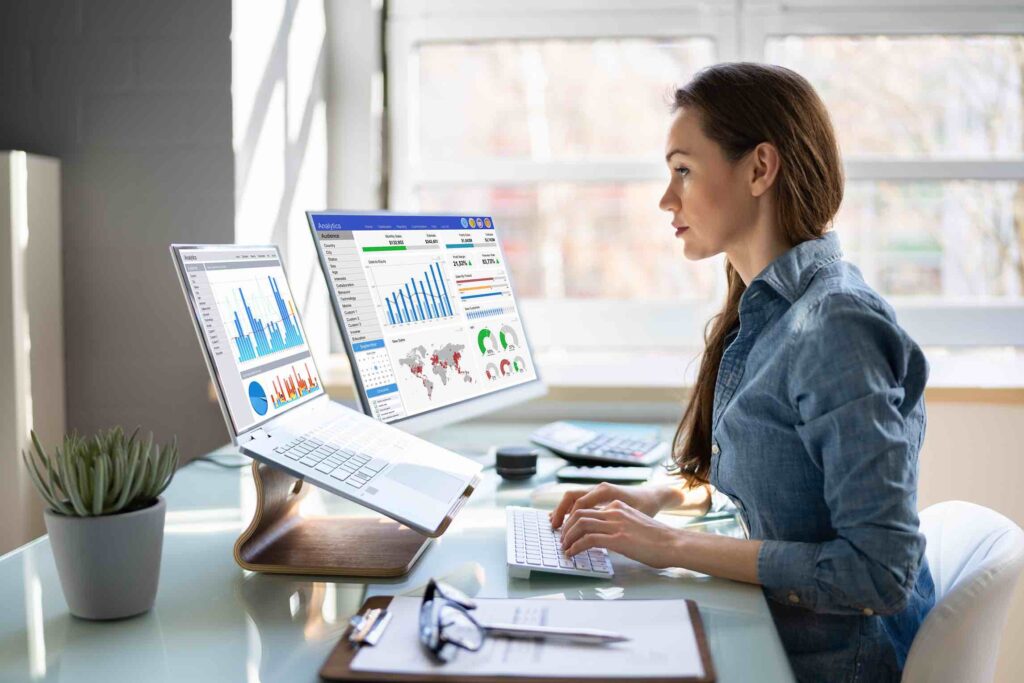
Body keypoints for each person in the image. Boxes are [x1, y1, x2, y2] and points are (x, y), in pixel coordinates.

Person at [550, 62, 934, 683]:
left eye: (683, 170)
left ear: (759, 168)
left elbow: (880, 574)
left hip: (822, 664)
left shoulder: (835, 326)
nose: (665, 199)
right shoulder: (765, 310)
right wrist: (655, 499)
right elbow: (772, 492)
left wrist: (667, 545)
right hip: (763, 634)